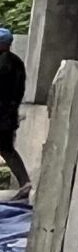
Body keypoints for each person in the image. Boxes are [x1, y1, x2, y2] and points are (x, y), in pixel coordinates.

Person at [0, 30, 27, 200]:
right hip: (9, 116)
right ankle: (25, 182)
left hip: (2, 116)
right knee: (7, 150)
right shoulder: (17, 62)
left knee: (6, 149)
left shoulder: (3, 63)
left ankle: (25, 182)